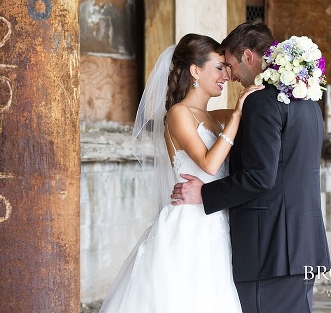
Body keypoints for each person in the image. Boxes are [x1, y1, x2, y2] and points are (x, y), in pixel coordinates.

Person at [172, 22, 331, 313]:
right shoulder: (308, 99)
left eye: (229, 65)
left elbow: (259, 177)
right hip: (304, 244)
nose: (230, 76)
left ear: (248, 56)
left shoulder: (261, 101)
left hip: (269, 250)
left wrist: (204, 194)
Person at [98, 33, 263, 312]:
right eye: (219, 67)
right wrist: (236, 116)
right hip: (188, 228)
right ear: (196, 70)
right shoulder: (179, 114)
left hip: (219, 224)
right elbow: (209, 164)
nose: (226, 75)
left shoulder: (217, 117)